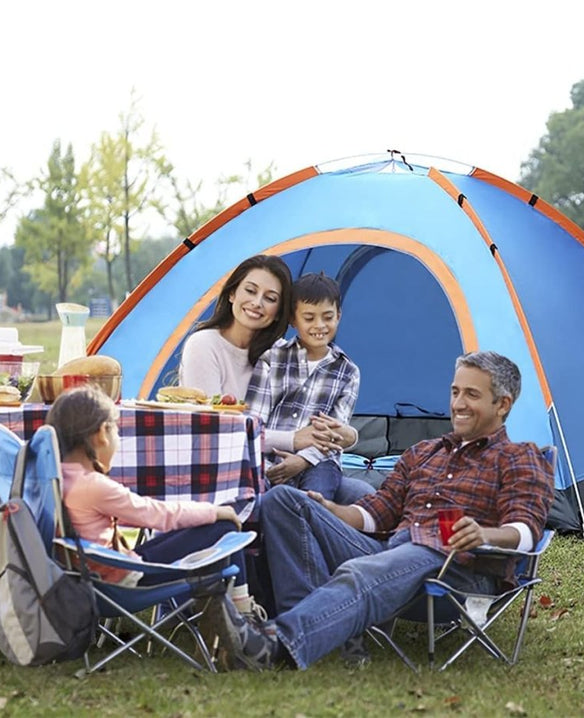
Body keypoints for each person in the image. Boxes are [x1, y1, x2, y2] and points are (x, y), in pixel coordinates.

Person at [199, 350, 555, 671]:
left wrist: (483, 534)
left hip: (455, 566)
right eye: (455, 392)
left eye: (472, 395)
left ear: (503, 404)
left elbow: (526, 529)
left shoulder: (520, 457)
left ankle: (272, 644)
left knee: (363, 569)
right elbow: (377, 512)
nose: (458, 403)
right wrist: (329, 510)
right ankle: (323, 635)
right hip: (392, 552)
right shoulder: (424, 452)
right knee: (283, 502)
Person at [178, 254, 374, 505]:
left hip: (307, 462)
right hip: (228, 462)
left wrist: (348, 437)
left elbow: (336, 425)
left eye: (270, 298)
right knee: (288, 502)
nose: (257, 303)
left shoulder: (276, 350)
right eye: (250, 290)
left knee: (362, 495)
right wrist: (294, 440)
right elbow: (214, 430)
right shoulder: (207, 345)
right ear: (231, 294)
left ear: (279, 311)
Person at [45, 385, 244, 588]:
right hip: (122, 581)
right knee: (223, 528)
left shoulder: (57, 477)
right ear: (102, 434)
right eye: (116, 431)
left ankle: (222, 609)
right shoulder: (92, 487)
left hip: (93, 575)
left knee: (199, 525)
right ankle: (243, 610)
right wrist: (216, 511)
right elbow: (157, 514)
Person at [245, 272, 360, 500]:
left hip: (318, 461)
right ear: (292, 319)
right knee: (267, 499)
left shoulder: (348, 372)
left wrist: (303, 460)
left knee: (314, 502)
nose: (320, 325)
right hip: (268, 459)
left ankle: (312, 530)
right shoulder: (272, 359)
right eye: (309, 318)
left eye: (327, 317)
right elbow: (252, 425)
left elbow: (335, 433)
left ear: (338, 315)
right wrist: (272, 465)